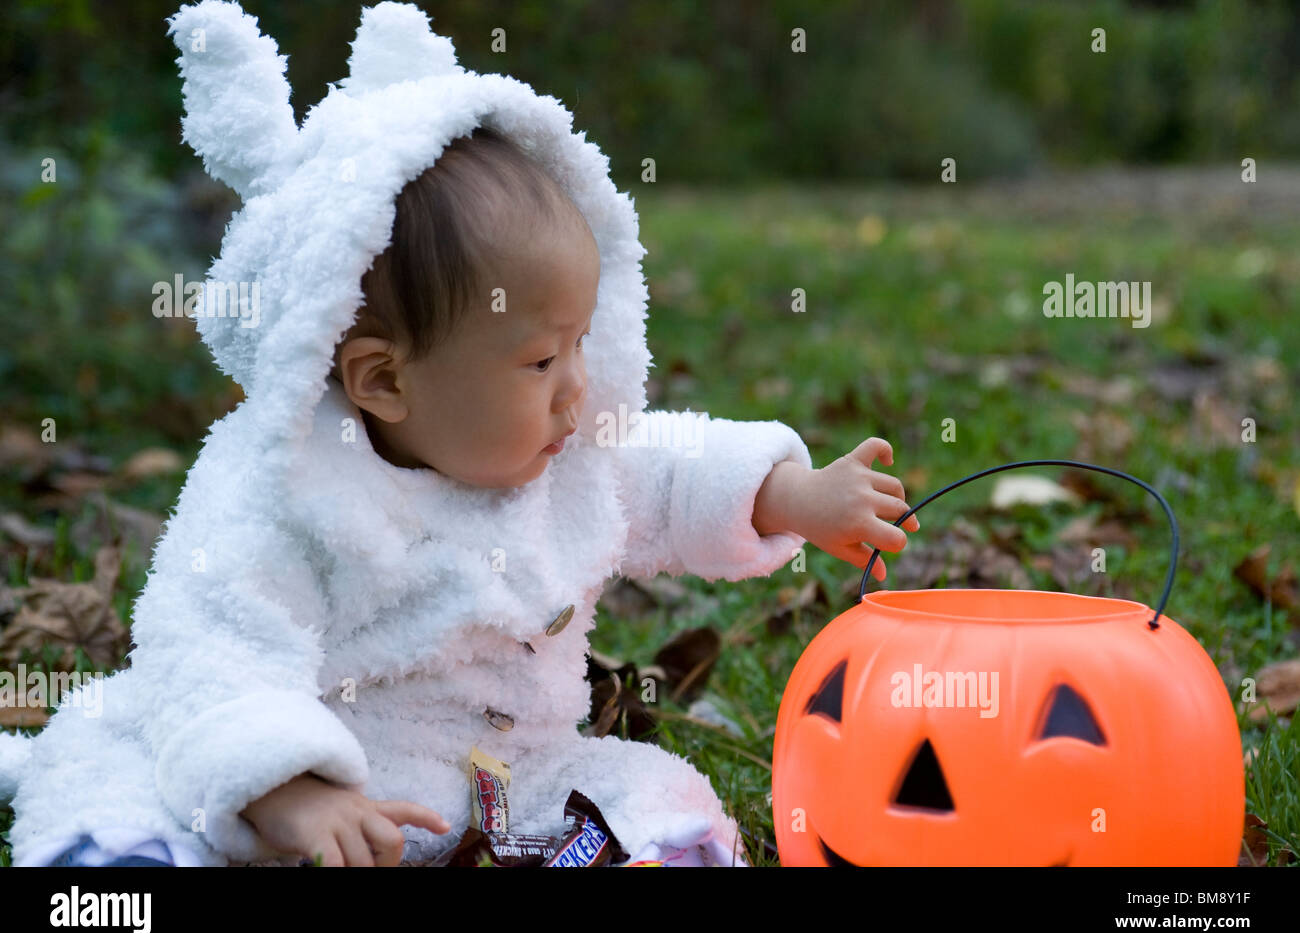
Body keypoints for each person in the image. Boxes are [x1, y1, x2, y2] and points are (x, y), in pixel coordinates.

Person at [0, 0, 917, 868]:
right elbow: (217, 644)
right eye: (538, 361)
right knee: (124, 762)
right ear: (385, 380)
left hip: (506, 773)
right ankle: (112, 865)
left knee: (643, 787)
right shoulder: (286, 490)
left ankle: (654, 848)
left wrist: (792, 496)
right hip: (331, 763)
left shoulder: (565, 452)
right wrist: (291, 792)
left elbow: (668, 472)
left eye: (578, 345)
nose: (576, 389)